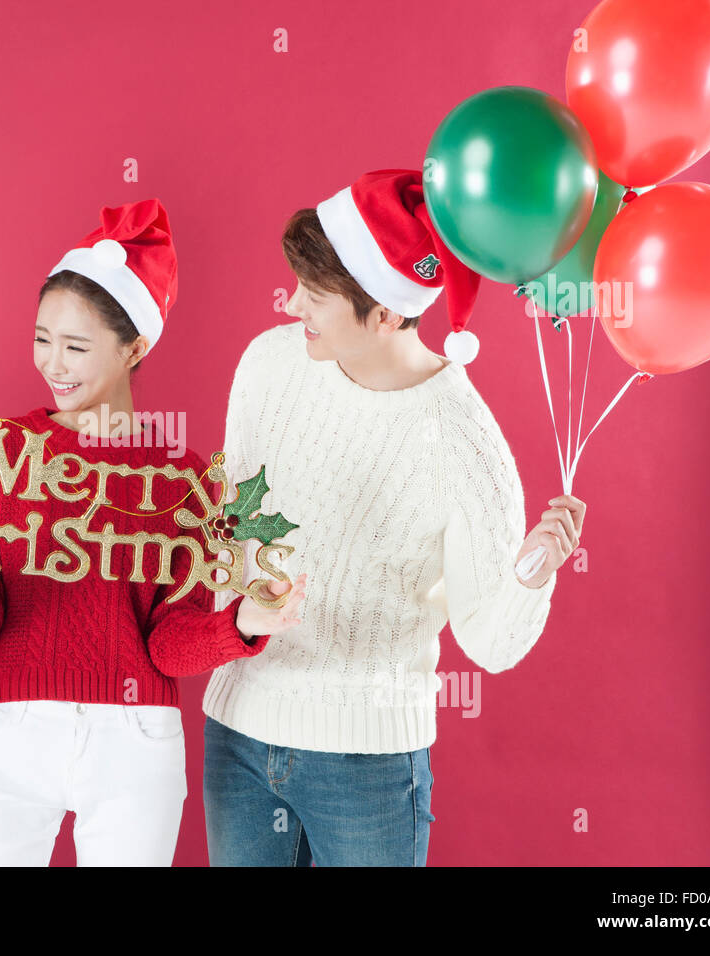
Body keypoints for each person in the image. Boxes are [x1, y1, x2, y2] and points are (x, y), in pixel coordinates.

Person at [0, 198, 308, 865]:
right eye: (42, 339)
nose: (54, 364)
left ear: (134, 346)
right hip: (6, 731)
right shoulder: (4, 451)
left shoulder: (182, 481)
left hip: (134, 742)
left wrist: (242, 625)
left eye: (76, 346)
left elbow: (168, 648)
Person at [201, 169, 586, 866]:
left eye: (315, 298)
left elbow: (488, 642)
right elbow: (230, 532)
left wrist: (532, 573)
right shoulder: (269, 364)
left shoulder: (463, 437)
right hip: (238, 733)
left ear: (384, 313)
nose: (293, 306)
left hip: (367, 765)